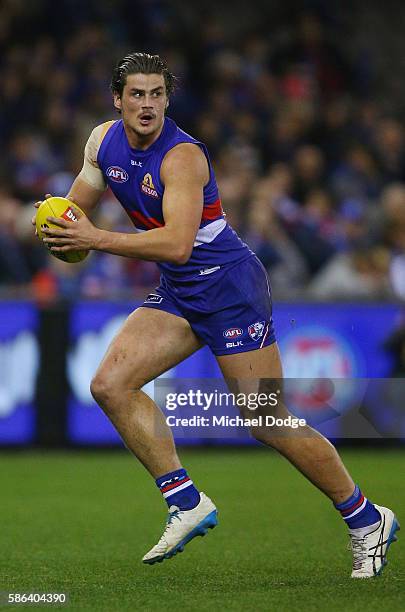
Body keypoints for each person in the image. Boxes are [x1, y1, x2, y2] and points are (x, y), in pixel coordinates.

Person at [33, 52, 398, 576]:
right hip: (182, 292)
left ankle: (366, 518)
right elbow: (75, 215)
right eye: (136, 94)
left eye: (156, 94)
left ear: (167, 99)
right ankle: (185, 502)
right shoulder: (101, 141)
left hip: (230, 288)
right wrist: (58, 230)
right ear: (117, 99)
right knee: (110, 384)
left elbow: (180, 244)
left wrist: (93, 238)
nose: (147, 105)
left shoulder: (183, 157)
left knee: (267, 421)